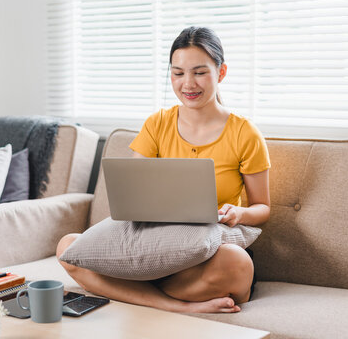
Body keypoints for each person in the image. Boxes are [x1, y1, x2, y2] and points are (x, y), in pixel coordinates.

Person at [57, 26, 271, 313]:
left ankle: (134, 291)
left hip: (205, 255)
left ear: (221, 73)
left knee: (238, 262)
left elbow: (263, 209)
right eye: (178, 73)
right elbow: (132, 191)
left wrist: (239, 213)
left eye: (199, 72)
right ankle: (177, 306)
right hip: (154, 244)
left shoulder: (245, 133)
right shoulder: (157, 124)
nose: (188, 84)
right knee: (67, 248)